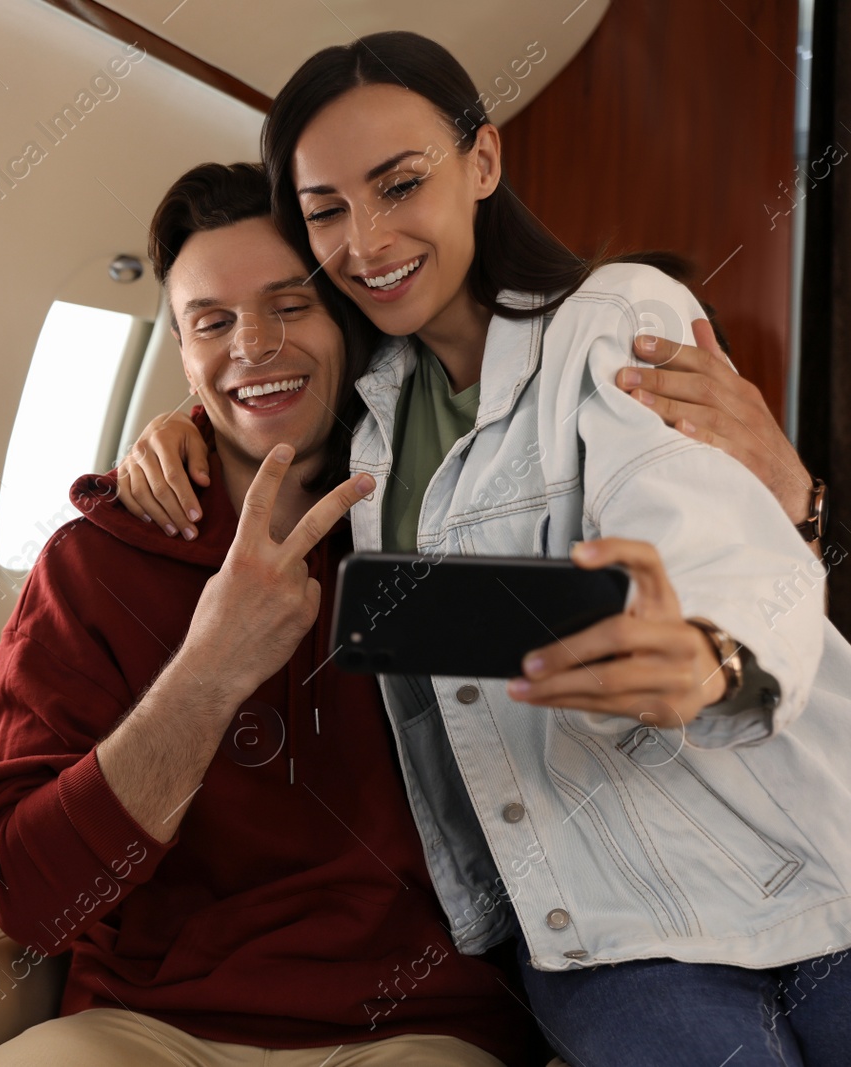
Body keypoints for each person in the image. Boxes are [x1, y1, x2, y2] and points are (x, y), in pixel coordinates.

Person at [113, 31, 851, 1067]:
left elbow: (698, 522)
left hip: (798, 853)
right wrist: (178, 425)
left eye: (400, 184)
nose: (365, 240)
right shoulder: (367, 420)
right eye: (326, 210)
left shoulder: (615, 317)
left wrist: (708, 651)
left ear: (483, 164)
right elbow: (258, 370)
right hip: (597, 921)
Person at [0, 162, 553, 1067]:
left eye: (291, 305)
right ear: (185, 354)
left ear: (350, 322)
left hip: (418, 1028)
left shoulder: (441, 522)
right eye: (214, 322)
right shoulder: (93, 565)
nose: (255, 345)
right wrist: (208, 673)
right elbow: (30, 900)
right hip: (146, 1029)